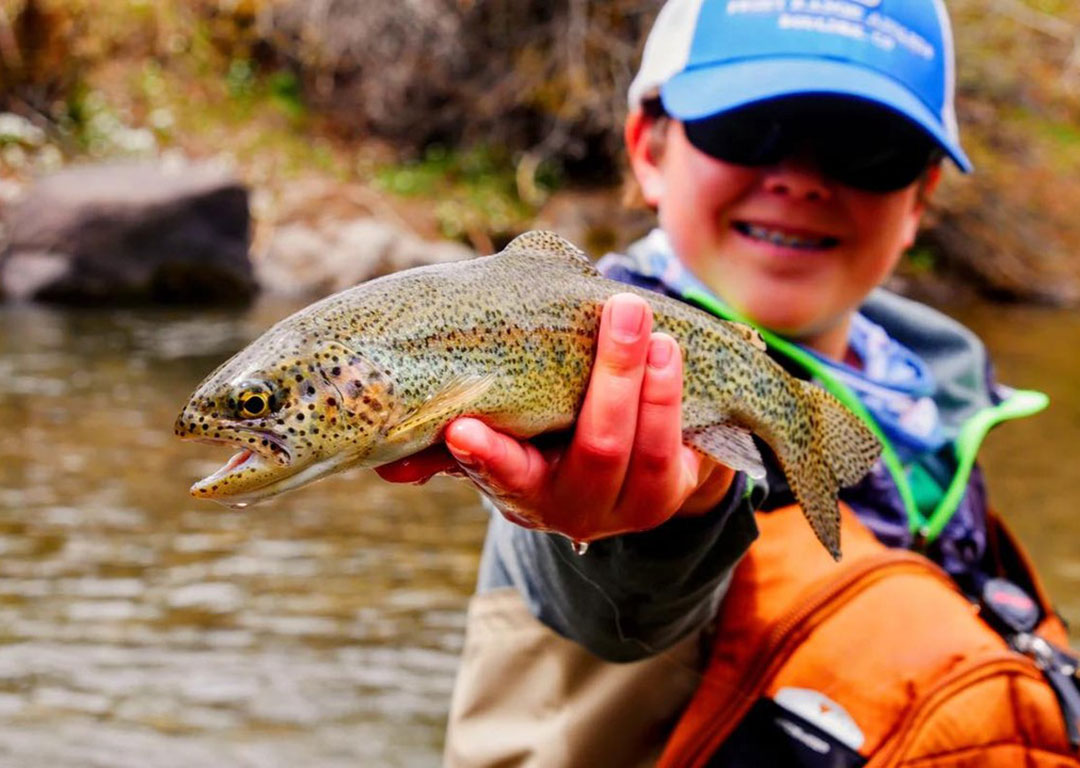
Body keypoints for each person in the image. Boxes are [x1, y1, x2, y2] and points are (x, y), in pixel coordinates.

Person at [378, 1, 1080, 765]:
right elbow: (608, 610)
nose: (800, 180)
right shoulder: (551, 343)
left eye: (867, 148)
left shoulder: (943, 409)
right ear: (649, 149)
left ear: (920, 198)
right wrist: (655, 524)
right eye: (750, 129)